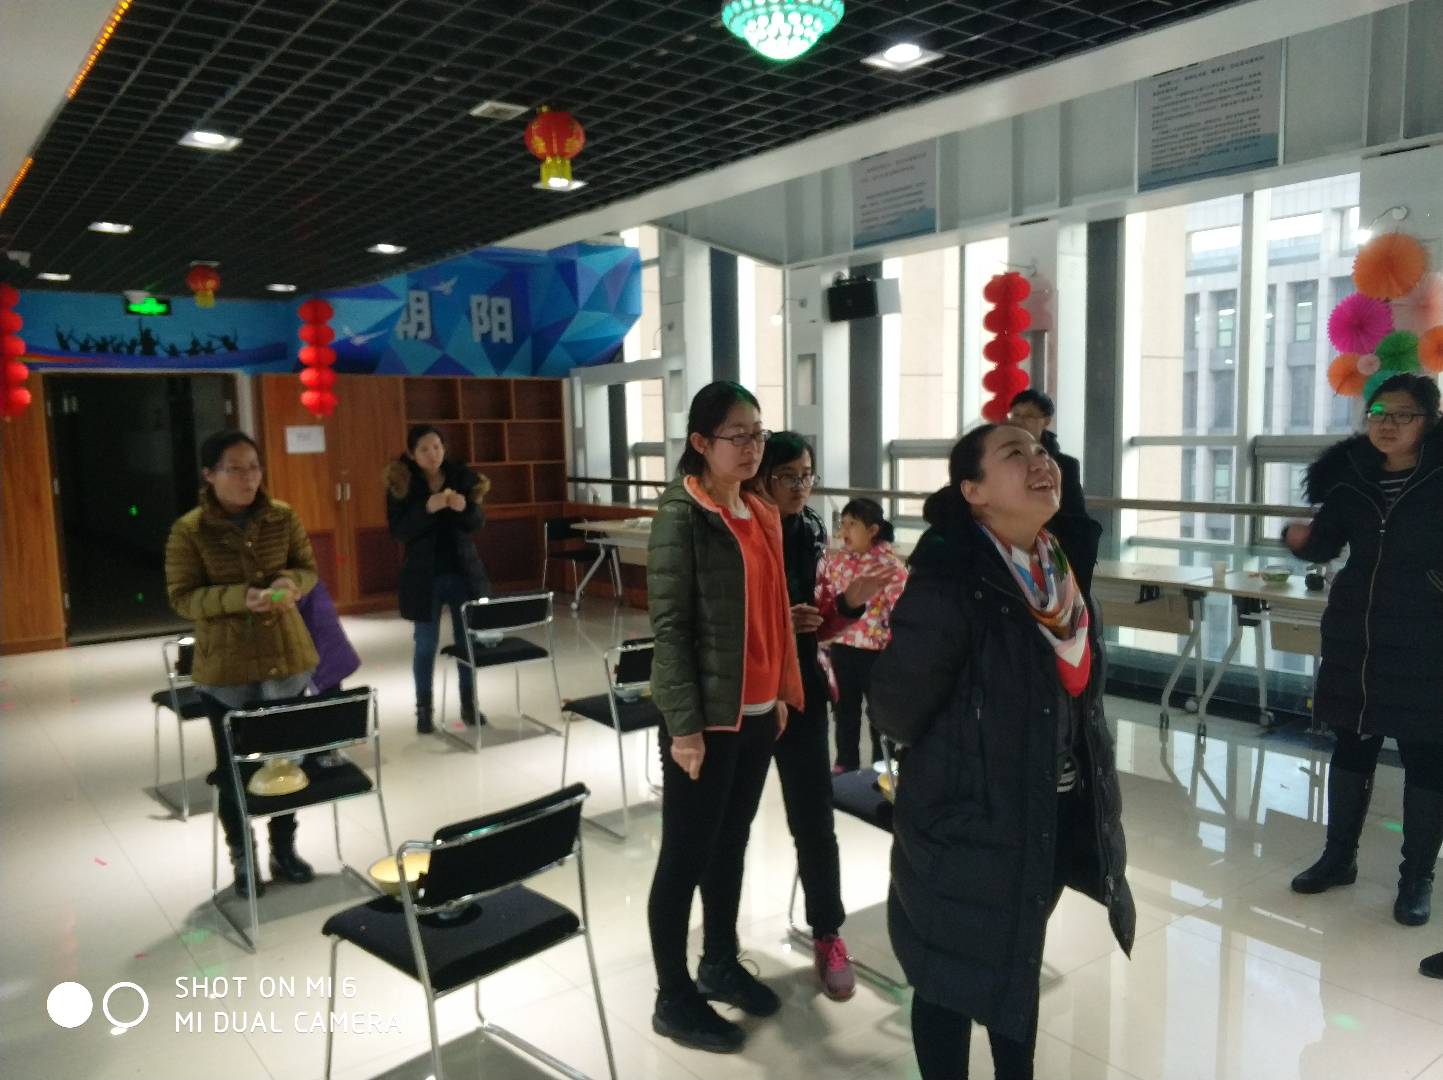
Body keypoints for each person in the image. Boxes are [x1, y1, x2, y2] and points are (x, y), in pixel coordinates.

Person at [870, 424, 1136, 1080]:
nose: (1039, 462)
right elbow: (896, 709)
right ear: (974, 491)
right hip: (964, 820)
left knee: (1015, 961)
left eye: (1041, 451)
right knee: (946, 979)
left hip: (1043, 817)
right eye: (1015, 454)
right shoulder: (951, 579)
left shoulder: (1058, 569)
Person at [646, 382, 804, 1053]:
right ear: (700, 443)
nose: (751, 447)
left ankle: (718, 960)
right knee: (685, 855)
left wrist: (781, 693)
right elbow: (670, 629)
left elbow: (770, 608)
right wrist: (683, 728)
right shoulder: (682, 516)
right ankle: (672, 995)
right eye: (736, 436)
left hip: (758, 710)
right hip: (706, 719)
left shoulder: (759, 510)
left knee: (730, 842)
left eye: (757, 434)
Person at [1284, 373, 1443, 927]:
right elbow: (1327, 542)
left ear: (1429, 421)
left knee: (1426, 755)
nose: (1387, 424)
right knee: (1351, 743)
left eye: (1403, 415)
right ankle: (1338, 859)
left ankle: (1416, 878)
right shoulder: (1351, 476)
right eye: (1379, 413)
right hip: (1358, 634)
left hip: (1426, 636)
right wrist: (1302, 542)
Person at [750, 433, 889, 1001]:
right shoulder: (738, 528)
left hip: (803, 689)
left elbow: (821, 624)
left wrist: (849, 603)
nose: (800, 486)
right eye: (788, 475)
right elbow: (726, 621)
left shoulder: (809, 529)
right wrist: (780, 621)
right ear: (761, 476)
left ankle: (828, 932)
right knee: (729, 828)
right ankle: (718, 951)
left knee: (814, 821)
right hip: (752, 693)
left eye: (807, 474)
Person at [165, 430, 320, 900]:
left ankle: (283, 849)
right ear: (209, 475)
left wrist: (292, 582)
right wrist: (240, 598)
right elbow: (182, 597)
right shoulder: (189, 530)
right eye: (235, 468)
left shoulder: (282, 515)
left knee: (284, 762)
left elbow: (307, 567)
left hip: (285, 657)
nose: (248, 477)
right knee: (233, 769)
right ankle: (242, 858)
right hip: (226, 670)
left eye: (254, 467)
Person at [385, 425, 490, 733]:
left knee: (466, 642)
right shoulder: (402, 483)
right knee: (425, 643)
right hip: (424, 576)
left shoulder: (462, 477)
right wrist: (426, 508)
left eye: (437, 447)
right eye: (424, 449)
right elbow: (399, 531)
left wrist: (465, 508)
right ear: (412, 454)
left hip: (462, 572)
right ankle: (424, 710)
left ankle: (469, 705)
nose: (432, 454)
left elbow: (477, 523)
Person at [814, 498, 908, 773]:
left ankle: (883, 766)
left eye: (852, 524)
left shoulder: (890, 567)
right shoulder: (838, 562)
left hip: (879, 653)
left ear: (872, 530)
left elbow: (900, 613)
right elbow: (829, 602)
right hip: (843, 648)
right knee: (844, 711)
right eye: (843, 524)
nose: (844, 531)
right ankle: (846, 763)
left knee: (880, 714)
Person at [1007, 388, 1102, 597]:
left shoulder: (1064, 465)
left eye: (1028, 416)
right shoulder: (999, 460)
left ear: (1046, 421)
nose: (1019, 422)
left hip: (1048, 546)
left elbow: (1074, 515)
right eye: (1015, 415)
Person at [296, 578, 360, 695]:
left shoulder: (295, 581)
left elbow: (281, 597)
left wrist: (264, 597)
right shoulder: (306, 576)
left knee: (327, 696)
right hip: (323, 645)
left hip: (317, 647)